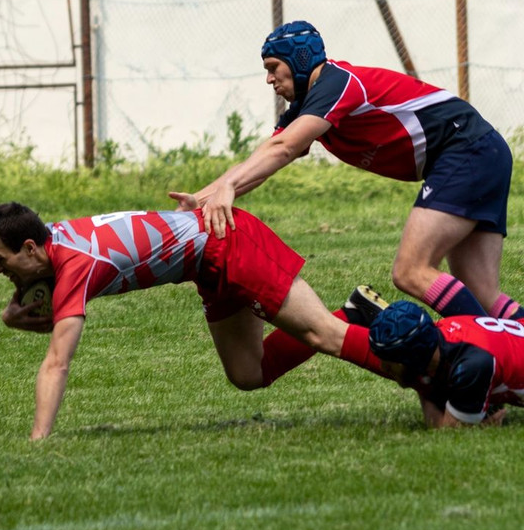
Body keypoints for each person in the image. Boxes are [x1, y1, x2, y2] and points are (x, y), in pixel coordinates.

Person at [170, 20, 523, 323]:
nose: (268, 79)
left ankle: (489, 361)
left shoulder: (337, 83)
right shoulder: (309, 103)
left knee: (411, 271)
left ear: (300, 60)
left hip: (466, 151)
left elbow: (285, 147)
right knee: (483, 295)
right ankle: (506, 358)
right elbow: (262, 160)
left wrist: (228, 186)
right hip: (481, 152)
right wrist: (200, 200)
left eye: (273, 67)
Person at [0, 201, 387, 440]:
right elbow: (45, 294)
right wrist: (14, 312)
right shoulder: (53, 240)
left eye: (0, 260)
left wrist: (38, 441)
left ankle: (425, 367)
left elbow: (57, 361)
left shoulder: (75, 263)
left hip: (229, 241)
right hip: (206, 263)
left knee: (321, 334)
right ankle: (355, 314)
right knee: (247, 373)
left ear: (30, 247)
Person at [368, 299, 524, 428]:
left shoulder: (471, 366)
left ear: (412, 360)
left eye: (389, 364)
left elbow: (449, 435)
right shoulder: (438, 332)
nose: (383, 368)